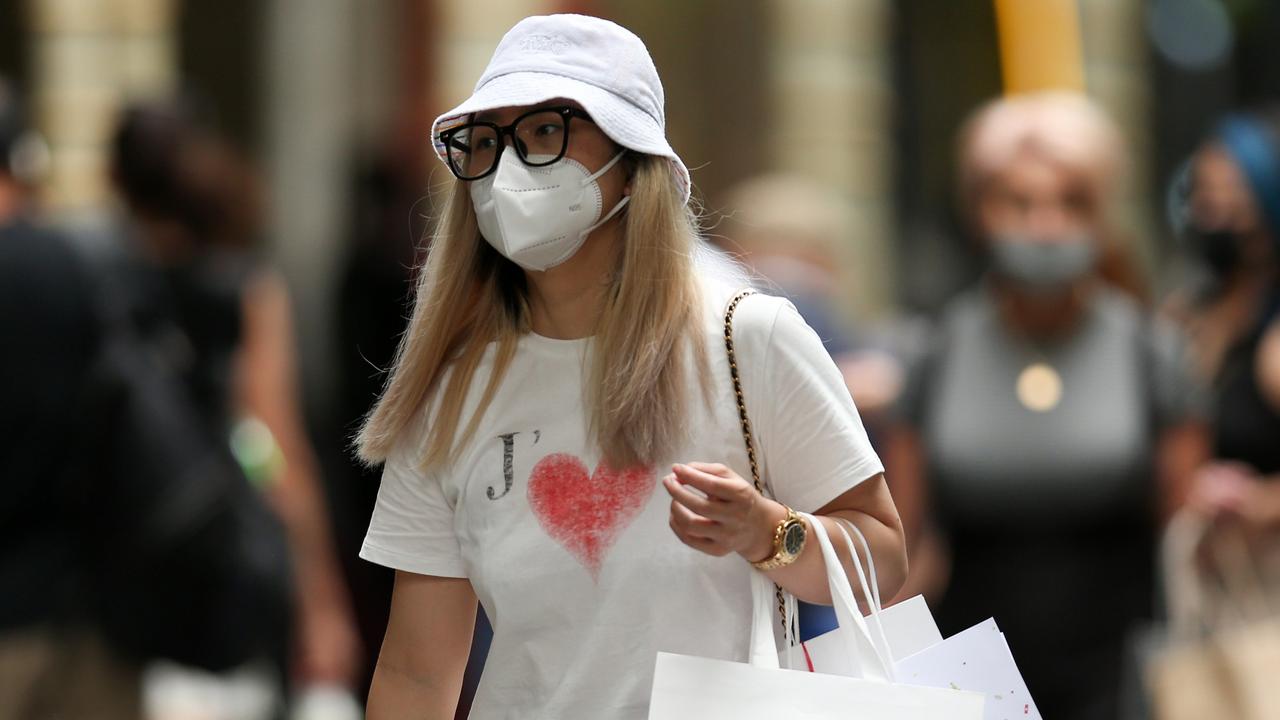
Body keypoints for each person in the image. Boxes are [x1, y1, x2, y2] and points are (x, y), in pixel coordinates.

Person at [356, 14, 904, 719]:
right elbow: (415, 673)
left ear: (631, 161)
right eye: (486, 141)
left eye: (547, 131)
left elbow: (882, 556)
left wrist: (767, 533)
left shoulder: (747, 338)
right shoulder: (452, 389)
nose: (508, 167)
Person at [884, 92, 1210, 720]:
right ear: (979, 209)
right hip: (970, 676)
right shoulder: (937, 352)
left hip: (1123, 677)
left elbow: (1184, 535)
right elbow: (904, 543)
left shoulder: (1152, 352)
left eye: (1072, 202)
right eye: (1019, 202)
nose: (1046, 225)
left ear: (1103, 214)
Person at [108, 101, 362, 694]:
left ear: (115, 181)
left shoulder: (99, 283)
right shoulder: (244, 289)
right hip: (218, 576)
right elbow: (268, 444)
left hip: (114, 596)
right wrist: (320, 600)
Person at [1165, 110, 1280, 530]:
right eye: (1204, 193)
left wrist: (1258, 502)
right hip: (1194, 574)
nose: (1214, 211)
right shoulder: (1183, 313)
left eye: (1232, 193)